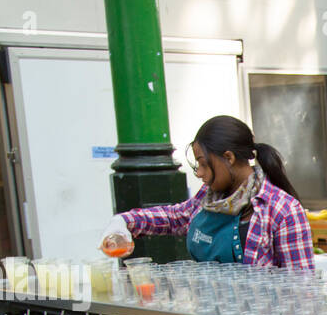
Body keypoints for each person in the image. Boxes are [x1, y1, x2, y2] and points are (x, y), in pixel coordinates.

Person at [100, 115, 314, 269]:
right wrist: (123, 222)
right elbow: (175, 217)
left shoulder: (282, 210)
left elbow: (302, 289)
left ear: (228, 158)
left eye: (203, 164)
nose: (200, 173)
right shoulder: (209, 197)